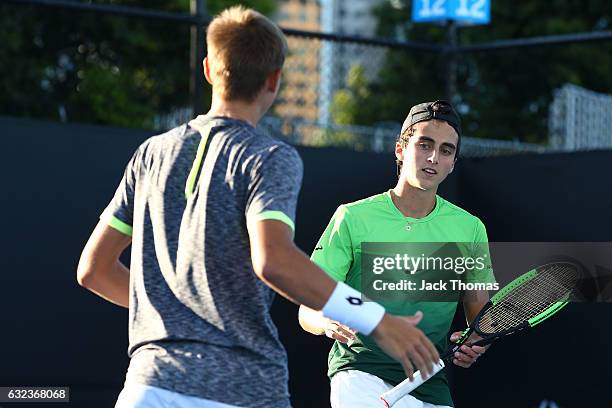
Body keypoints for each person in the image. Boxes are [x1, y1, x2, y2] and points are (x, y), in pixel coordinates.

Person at [76, 6, 440, 408]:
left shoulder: (150, 154)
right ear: (275, 80)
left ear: (209, 70)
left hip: (145, 388)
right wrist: (376, 319)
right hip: (240, 392)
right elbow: (273, 261)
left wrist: (174, 310)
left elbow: (94, 270)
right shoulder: (268, 156)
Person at [299, 100, 496, 408]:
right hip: (360, 372)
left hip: (430, 383)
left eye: (446, 150)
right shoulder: (352, 217)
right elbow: (307, 309)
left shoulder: (470, 229)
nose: (433, 157)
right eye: (424, 144)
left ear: (453, 162)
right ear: (400, 150)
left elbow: (479, 317)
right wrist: (326, 321)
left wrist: (474, 342)